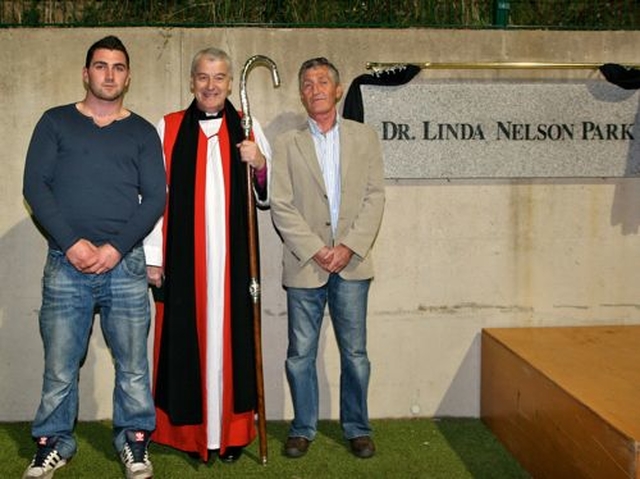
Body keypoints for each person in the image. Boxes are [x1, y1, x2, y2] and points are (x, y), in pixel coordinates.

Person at [22, 36, 166, 479]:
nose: (109, 74)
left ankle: (135, 442)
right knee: (61, 366)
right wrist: (72, 243)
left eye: (118, 67)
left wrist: (115, 248)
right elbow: (35, 187)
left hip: (125, 268)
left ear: (128, 75)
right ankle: (53, 443)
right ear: (86, 74)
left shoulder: (141, 131)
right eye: (100, 66)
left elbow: (156, 197)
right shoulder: (55, 122)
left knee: (134, 366)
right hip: (66, 265)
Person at [143, 47, 271, 463]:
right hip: (186, 263)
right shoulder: (171, 127)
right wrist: (154, 256)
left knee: (232, 347)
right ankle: (192, 435)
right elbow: (154, 197)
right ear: (192, 81)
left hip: (233, 264)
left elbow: (266, 195)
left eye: (219, 78)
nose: (211, 85)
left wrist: (260, 162)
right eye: (203, 77)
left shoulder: (248, 127)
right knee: (187, 343)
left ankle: (231, 435)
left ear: (230, 83)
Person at [270, 57, 385, 459]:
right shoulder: (286, 143)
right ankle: (303, 428)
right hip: (306, 265)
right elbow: (280, 205)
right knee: (300, 353)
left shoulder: (364, 137)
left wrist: (348, 247)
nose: (315, 88)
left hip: (352, 264)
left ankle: (357, 427)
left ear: (337, 90)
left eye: (323, 81)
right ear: (300, 94)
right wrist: (318, 249)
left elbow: (375, 197)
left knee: (355, 354)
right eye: (307, 83)